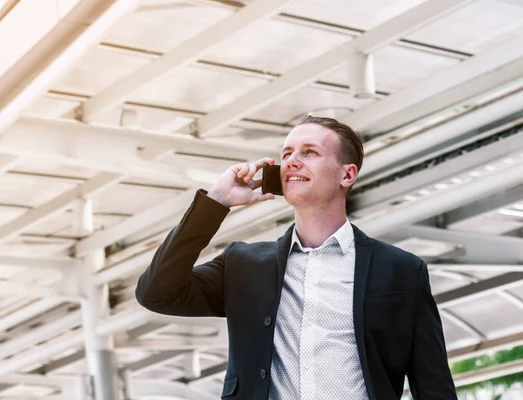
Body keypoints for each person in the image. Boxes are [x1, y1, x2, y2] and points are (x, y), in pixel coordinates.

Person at [136, 115, 456, 399]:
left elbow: (434, 386)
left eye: (310, 152)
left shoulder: (401, 271)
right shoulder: (244, 265)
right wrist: (217, 200)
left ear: (347, 175)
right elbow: (157, 293)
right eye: (286, 154)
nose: (292, 161)